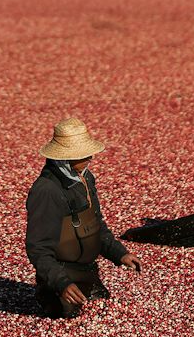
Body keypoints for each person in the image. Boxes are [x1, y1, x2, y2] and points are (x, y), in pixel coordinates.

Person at [24, 117, 141, 317]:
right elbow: (39, 248)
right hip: (60, 272)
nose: (90, 159)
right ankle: (47, 294)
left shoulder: (85, 178)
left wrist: (119, 254)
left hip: (88, 270)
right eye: (83, 155)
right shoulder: (46, 190)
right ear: (64, 158)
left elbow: (96, 225)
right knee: (65, 313)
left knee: (101, 304)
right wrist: (62, 284)